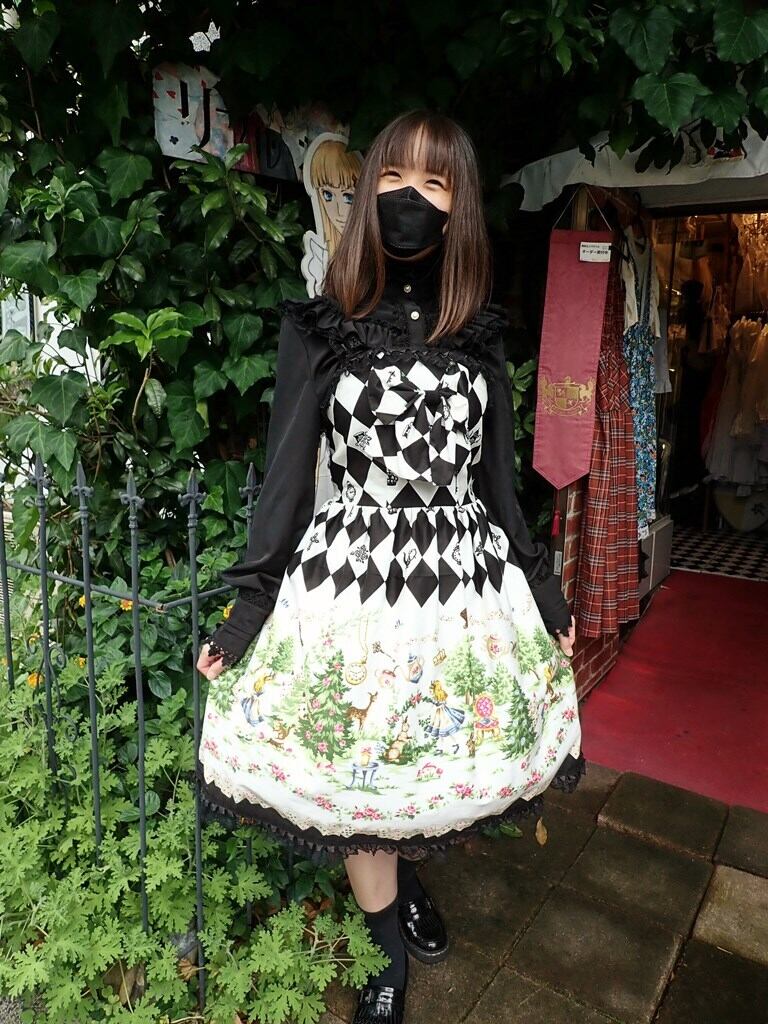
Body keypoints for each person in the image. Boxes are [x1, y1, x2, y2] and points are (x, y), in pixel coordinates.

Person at [196, 109, 585, 1024]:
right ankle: (387, 957)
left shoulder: (478, 335)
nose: (412, 197)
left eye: (436, 182)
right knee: (360, 769)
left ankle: (406, 885)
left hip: (462, 589)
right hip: (353, 585)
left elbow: (499, 485)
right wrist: (249, 607)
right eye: (396, 177)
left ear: (460, 208)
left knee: (427, 756)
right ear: (370, 190)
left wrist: (545, 590)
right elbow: (286, 479)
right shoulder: (322, 328)